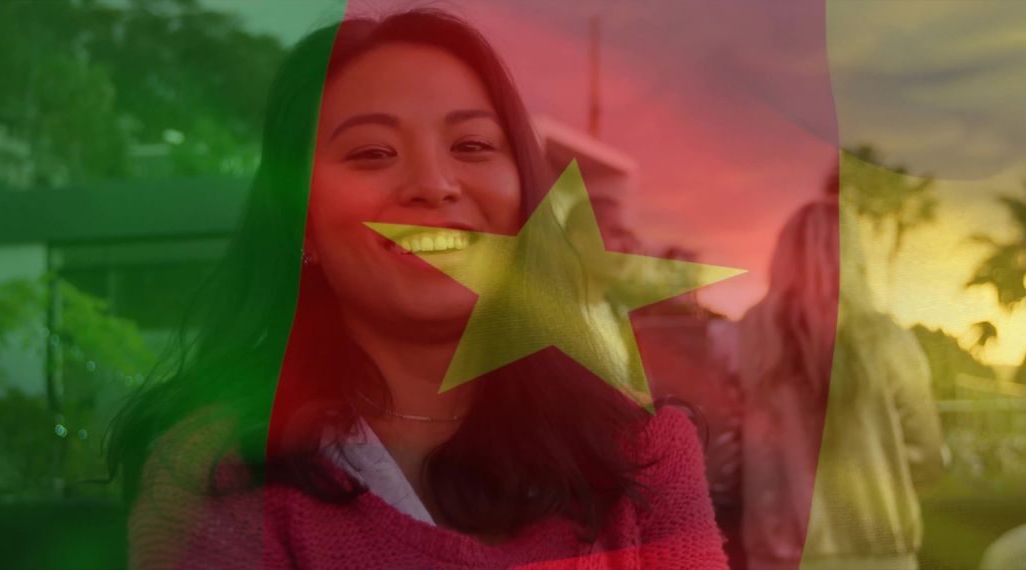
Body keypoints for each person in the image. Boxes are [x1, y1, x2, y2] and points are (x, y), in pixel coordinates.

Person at [108, 9, 728, 569]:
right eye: (374, 152)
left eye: (472, 146)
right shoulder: (219, 469)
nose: (434, 184)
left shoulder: (642, 457)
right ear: (303, 224)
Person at [738, 200, 944, 570]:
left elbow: (727, 450)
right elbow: (927, 457)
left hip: (780, 554)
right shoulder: (890, 342)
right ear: (854, 258)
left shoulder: (747, 338)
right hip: (880, 554)